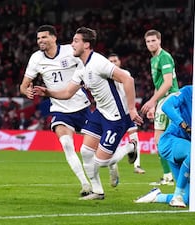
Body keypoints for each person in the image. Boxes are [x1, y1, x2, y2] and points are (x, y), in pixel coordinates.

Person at [33, 27, 143, 200]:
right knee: (85, 151)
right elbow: (68, 92)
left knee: (102, 162)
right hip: (100, 113)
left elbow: (128, 79)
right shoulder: (82, 67)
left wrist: (131, 109)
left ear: (86, 45)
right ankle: (97, 191)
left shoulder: (99, 62)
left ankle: (131, 147)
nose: (72, 44)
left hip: (116, 117)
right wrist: (48, 92)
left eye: (76, 41)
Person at [19, 25, 92, 197]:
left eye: (44, 37)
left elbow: (88, 67)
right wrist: (26, 91)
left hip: (81, 106)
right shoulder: (36, 58)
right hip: (59, 109)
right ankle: (85, 184)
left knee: (95, 151)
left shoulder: (70, 51)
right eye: (38, 39)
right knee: (67, 144)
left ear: (54, 38)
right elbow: (23, 85)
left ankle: (114, 163)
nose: (40, 41)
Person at [134, 62, 195, 207]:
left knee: (189, 199)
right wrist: (182, 124)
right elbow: (167, 106)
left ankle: (156, 196)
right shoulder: (187, 91)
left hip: (186, 150)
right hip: (170, 141)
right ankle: (177, 197)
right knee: (193, 154)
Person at [140, 29, 179, 186]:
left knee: (164, 139)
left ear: (160, 41)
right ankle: (169, 175)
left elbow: (168, 83)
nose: (151, 44)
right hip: (162, 101)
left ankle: (173, 173)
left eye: (153, 41)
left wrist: (151, 101)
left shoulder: (164, 57)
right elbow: (159, 84)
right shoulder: (153, 60)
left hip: (171, 99)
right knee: (162, 140)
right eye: (148, 41)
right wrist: (154, 105)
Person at [107, 53, 145, 174]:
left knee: (134, 137)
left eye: (115, 61)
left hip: (127, 111)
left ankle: (137, 165)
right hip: (112, 112)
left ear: (119, 62)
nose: (113, 63)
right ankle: (112, 165)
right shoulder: (104, 75)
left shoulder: (125, 74)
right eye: (110, 61)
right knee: (112, 140)